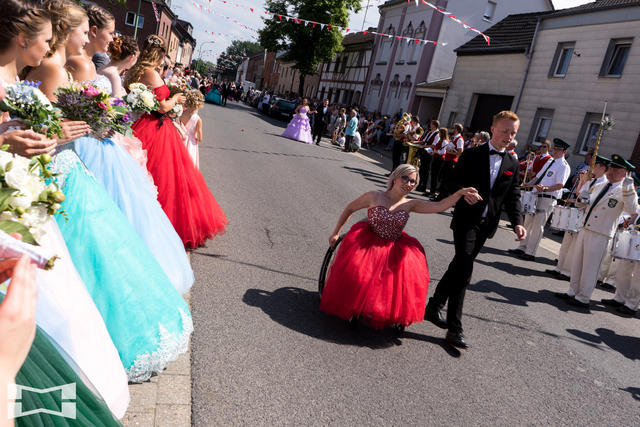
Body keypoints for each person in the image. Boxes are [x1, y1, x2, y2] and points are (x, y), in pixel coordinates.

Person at [26, 0, 193, 384]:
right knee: (86, 258)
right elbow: (42, 122)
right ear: (67, 33)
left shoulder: (64, 67)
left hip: (74, 163)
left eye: (88, 31)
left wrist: (97, 115)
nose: (89, 39)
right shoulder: (54, 67)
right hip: (62, 168)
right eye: (84, 31)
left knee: (100, 253)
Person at [320, 164, 480, 330]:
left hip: (394, 246)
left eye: (413, 181)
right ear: (395, 178)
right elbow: (350, 208)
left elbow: (439, 206)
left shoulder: (411, 204)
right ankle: (355, 303)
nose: (409, 184)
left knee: (397, 279)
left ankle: (378, 310)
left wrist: (460, 193)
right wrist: (336, 232)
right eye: (405, 178)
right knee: (359, 273)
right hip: (368, 242)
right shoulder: (374, 196)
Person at [425, 111, 526, 349]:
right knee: (464, 270)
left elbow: (513, 195)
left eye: (513, 133)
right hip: (465, 221)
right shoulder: (472, 154)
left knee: (459, 265)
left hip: (486, 225)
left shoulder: (512, 162)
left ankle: (434, 306)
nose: (508, 136)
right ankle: (454, 328)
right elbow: (449, 181)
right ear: (493, 128)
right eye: (504, 131)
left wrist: (518, 221)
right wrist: (463, 191)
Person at [127, 35, 228, 249]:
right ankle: (159, 228)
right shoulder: (151, 73)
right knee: (163, 179)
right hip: (154, 126)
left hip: (143, 123)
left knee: (152, 176)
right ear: (160, 55)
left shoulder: (135, 70)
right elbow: (161, 106)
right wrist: (176, 100)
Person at [555, 155, 639, 309]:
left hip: (601, 233)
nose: (611, 170)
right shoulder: (600, 185)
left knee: (590, 268)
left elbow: (633, 210)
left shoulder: (624, 190)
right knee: (577, 264)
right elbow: (583, 205)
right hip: (586, 228)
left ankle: (583, 297)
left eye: (616, 168)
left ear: (625, 172)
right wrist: (582, 198)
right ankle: (572, 291)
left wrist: (628, 187)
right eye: (611, 167)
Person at [545, 155, 610, 280]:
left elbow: (589, 201)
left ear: (602, 167)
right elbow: (579, 194)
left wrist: (579, 197)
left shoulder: (604, 183)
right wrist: (582, 181)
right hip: (577, 212)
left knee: (574, 245)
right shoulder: (592, 180)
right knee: (567, 242)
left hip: (586, 216)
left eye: (595, 165)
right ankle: (559, 267)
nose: (592, 168)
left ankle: (567, 272)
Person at [508, 138, 571, 261]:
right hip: (536, 194)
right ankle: (522, 247)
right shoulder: (550, 162)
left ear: (564, 151)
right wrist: (528, 183)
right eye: (555, 148)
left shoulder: (564, 166)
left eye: (558, 149)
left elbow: (560, 185)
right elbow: (538, 177)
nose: (555, 151)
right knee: (528, 221)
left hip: (548, 197)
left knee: (538, 225)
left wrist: (545, 188)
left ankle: (530, 252)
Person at [602, 176, 640, 315]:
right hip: (633, 237)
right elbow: (636, 213)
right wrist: (630, 221)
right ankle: (620, 297)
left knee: (638, 277)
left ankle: (632, 304)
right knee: (623, 270)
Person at [436, 122, 464, 200]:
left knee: (447, 179)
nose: (452, 129)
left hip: (452, 161)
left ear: (457, 130)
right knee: (443, 178)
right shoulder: (454, 138)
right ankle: (440, 195)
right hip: (447, 160)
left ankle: (443, 197)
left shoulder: (459, 139)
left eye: (454, 128)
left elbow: (460, 152)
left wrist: (449, 152)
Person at [180, 89, 204, 168]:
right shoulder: (197, 119)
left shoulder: (180, 113)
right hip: (190, 144)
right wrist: (195, 134)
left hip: (179, 140)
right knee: (188, 166)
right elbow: (199, 138)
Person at [416, 119, 439, 194]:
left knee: (426, 170)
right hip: (425, 152)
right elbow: (424, 141)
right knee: (422, 169)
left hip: (430, 154)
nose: (430, 125)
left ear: (434, 126)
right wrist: (416, 142)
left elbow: (434, 145)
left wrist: (424, 146)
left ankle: (424, 187)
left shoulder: (437, 134)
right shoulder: (429, 132)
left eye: (431, 124)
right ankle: (420, 185)